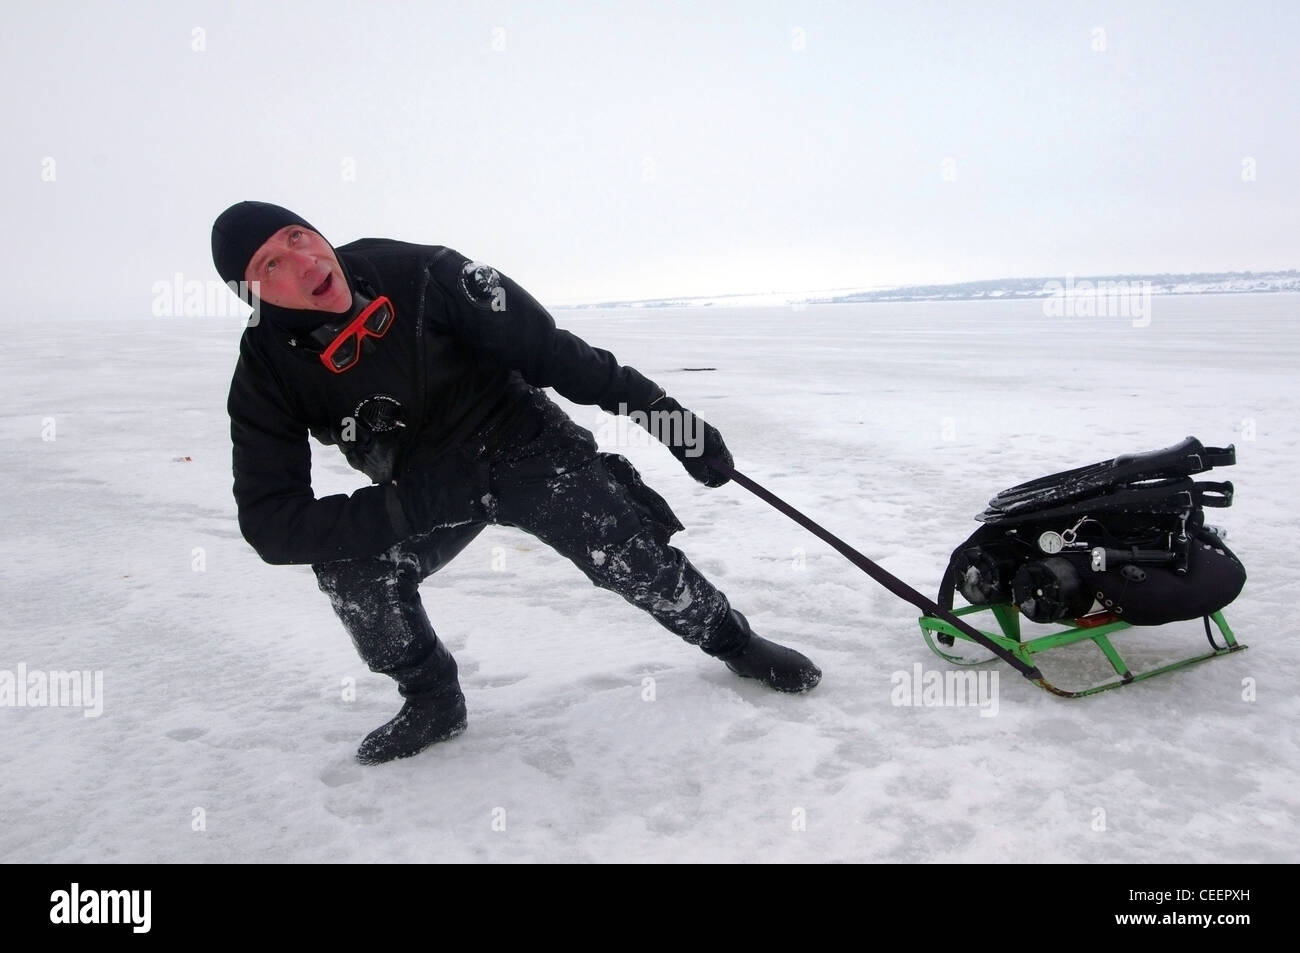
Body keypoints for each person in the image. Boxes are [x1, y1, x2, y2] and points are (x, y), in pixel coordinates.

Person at [212, 201, 821, 765]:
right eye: (272, 264)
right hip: (423, 486)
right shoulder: (266, 372)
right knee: (352, 571)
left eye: (298, 236)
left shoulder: (427, 272)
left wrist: (670, 420)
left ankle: (732, 642)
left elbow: (554, 354)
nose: (304, 260)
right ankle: (432, 700)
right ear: (255, 297)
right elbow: (271, 524)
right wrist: (414, 501)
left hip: (522, 442)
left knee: (629, 556)